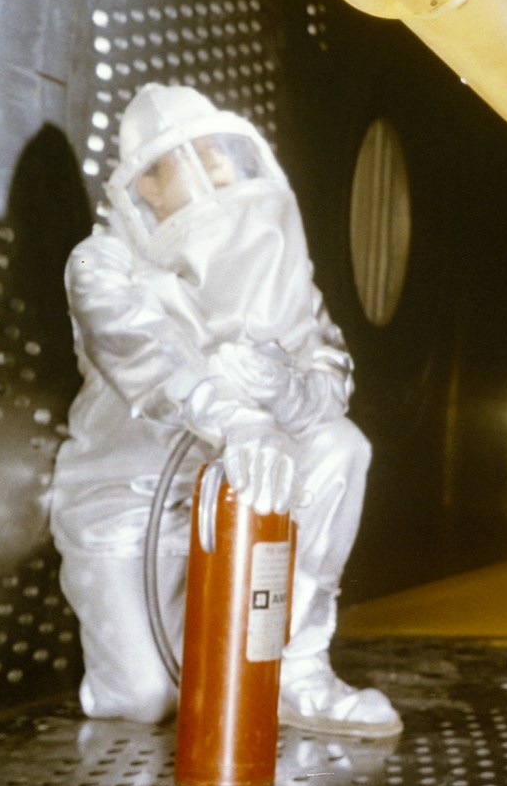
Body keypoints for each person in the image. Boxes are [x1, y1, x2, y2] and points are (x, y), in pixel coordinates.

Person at [49, 82, 399, 738]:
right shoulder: (102, 266)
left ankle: (295, 668)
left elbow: (328, 374)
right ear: (145, 186)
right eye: (189, 154)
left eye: (217, 146)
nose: (213, 162)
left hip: (230, 505)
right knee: (149, 698)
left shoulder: (268, 259)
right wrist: (232, 419)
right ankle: (209, 665)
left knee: (340, 446)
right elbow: (144, 359)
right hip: (124, 511)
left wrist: (285, 391)